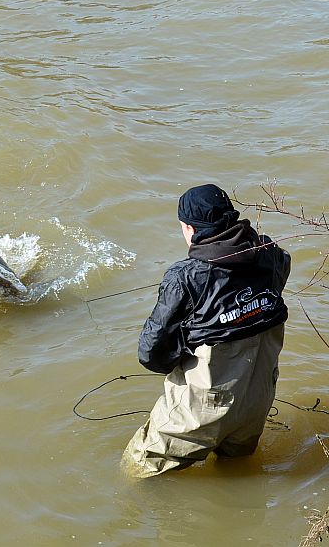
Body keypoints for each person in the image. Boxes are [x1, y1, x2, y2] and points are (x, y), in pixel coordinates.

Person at [121, 184, 291, 478]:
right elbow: (280, 271)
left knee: (137, 468)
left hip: (202, 409)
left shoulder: (185, 277)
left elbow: (150, 352)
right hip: (257, 402)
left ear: (190, 229)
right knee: (237, 477)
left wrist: (178, 360)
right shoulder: (271, 254)